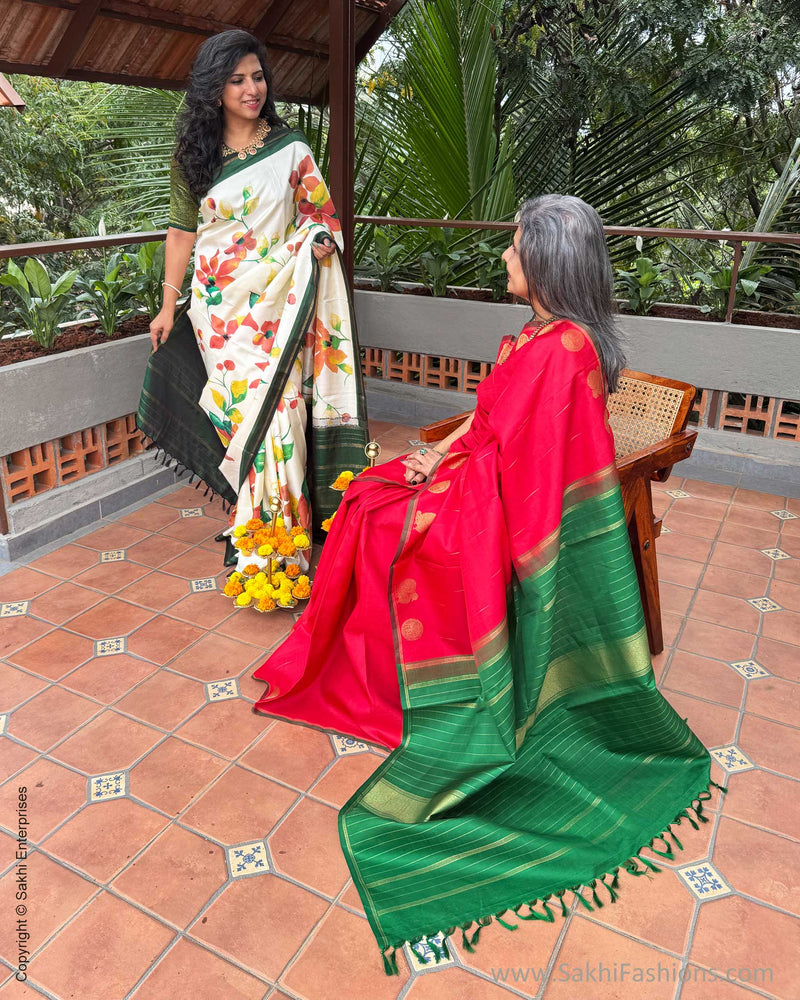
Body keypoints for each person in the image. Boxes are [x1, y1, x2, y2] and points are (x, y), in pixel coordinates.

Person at [252, 194, 715, 972]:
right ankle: (367, 670)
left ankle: (396, 684)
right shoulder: (539, 335)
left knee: (381, 521)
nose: (502, 257)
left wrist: (452, 479)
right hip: (478, 473)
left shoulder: (565, 351)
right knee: (370, 495)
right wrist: (442, 452)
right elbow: (491, 416)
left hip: (500, 505)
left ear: (546, 264)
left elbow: (534, 467)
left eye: (513, 248)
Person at [138, 30, 368, 565]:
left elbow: (324, 220)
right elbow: (180, 234)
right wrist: (169, 304)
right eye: (237, 79)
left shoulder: (292, 151)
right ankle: (257, 522)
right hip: (219, 314)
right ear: (213, 89)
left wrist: (313, 242)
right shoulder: (194, 157)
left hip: (276, 305)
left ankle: (278, 545)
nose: (251, 88)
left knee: (281, 412)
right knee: (239, 415)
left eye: (257, 77)